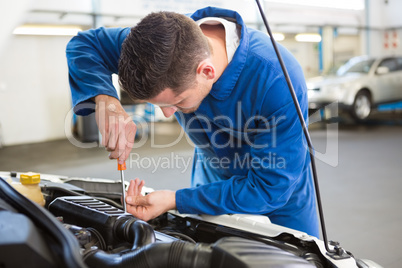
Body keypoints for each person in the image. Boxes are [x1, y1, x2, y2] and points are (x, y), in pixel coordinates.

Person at [67, 6, 319, 237]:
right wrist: (106, 100)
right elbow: (85, 45)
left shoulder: (277, 79)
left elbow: (269, 188)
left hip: (279, 194)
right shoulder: (157, 49)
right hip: (212, 180)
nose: (168, 115)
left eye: (176, 102)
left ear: (206, 71)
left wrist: (176, 200)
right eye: (159, 104)